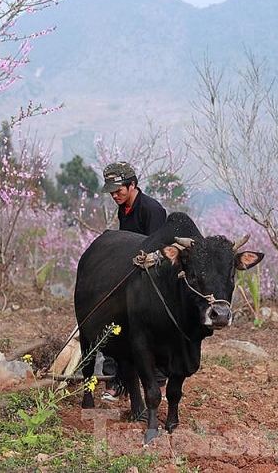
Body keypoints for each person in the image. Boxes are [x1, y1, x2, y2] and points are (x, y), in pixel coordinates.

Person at [98, 161, 168, 402]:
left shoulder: (152, 210)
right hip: (129, 275)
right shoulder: (122, 209)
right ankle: (116, 382)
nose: (115, 196)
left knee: (154, 331)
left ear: (133, 185)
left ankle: (160, 385)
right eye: (112, 192)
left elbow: (156, 251)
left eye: (119, 191)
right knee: (111, 320)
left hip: (151, 280)